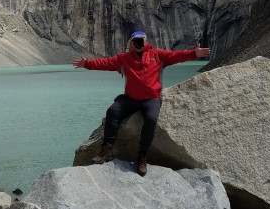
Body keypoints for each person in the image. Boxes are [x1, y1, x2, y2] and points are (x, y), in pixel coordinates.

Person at [73, 30, 210, 176]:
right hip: (130, 98)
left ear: (146, 41)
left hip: (152, 99)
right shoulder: (123, 58)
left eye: (141, 40)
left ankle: (142, 157)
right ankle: (107, 151)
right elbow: (104, 63)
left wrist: (194, 53)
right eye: (135, 40)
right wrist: (86, 64)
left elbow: (177, 56)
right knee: (112, 111)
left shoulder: (158, 55)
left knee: (151, 120)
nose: (138, 43)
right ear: (131, 43)